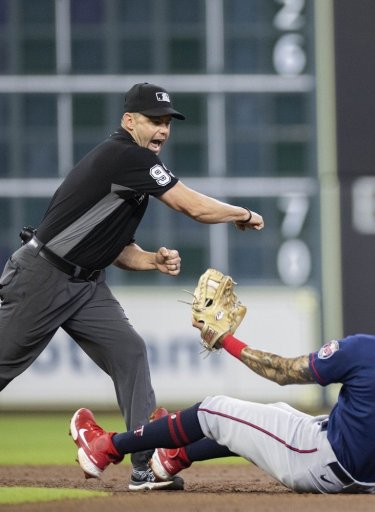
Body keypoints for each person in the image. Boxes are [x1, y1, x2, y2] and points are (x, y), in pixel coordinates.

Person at [0, 83, 264, 491]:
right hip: (43, 276)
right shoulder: (126, 155)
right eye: (153, 121)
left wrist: (151, 261)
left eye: (166, 122)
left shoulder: (132, 169)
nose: (162, 129)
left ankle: (143, 467)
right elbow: (191, 206)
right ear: (128, 121)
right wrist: (241, 213)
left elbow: (118, 249)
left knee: (131, 352)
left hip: (86, 284)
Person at [69, 269, 375, 493]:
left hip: (321, 463)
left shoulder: (365, 349)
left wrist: (225, 340)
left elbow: (284, 372)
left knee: (214, 409)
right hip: (365, 481)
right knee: (274, 417)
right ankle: (174, 456)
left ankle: (105, 448)